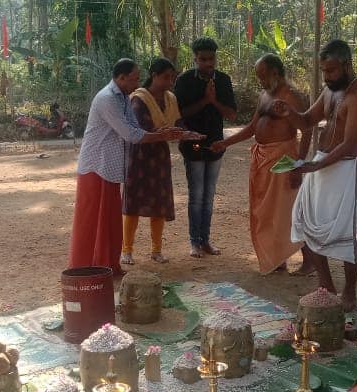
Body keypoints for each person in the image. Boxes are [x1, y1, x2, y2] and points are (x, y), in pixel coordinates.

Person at [271, 40, 357, 311]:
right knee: (308, 225)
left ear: (347, 65)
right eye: (323, 71)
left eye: (331, 71)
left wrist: (316, 166)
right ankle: (326, 286)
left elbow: (351, 143)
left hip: (345, 169)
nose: (326, 77)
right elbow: (306, 121)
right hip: (320, 163)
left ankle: (349, 293)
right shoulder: (329, 92)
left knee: (343, 232)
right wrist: (288, 112)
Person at [68, 59, 196, 274]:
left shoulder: (124, 97)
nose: (138, 82)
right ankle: (82, 268)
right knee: (90, 220)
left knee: (109, 221)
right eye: (135, 78)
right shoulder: (107, 98)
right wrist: (162, 135)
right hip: (95, 166)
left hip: (108, 168)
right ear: (121, 78)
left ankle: (107, 264)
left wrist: (166, 133)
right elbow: (130, 134)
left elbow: (134, 127)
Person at [210, 54, 312, 275]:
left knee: (288, 210)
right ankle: (277, 259)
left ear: (275, 72)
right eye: (258, 76)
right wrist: (225, 143)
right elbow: (252, 127)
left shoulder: (292, 96)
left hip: (283, 157)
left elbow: (306, 129)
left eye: (263, 75)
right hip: (262, 158)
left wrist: (299, 165)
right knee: (266, 212)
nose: (260, 80)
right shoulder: (265, 95)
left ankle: (310, 260)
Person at [173, 37, 237, 258]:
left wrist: (214, 101)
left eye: (211, 59)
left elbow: (231, 114)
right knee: (196, 194)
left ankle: (206, 240)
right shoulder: (183, 81)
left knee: (208, 196)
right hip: (192, 146)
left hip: (217, 145)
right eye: (203, 59)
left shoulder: (224, 80)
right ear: (195, 59)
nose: (208, 63)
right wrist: (204, 101)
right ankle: (194, 242)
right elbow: (178, 115)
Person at [121, 58, 185, 266]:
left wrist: (185, 132)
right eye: (166, 77)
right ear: (154, 75)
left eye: (172, 78)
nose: (170, 82)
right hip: (139, 154)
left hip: (159, 155)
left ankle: (156, 250)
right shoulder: (139, 98)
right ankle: (127, 250)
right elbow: (142, 127)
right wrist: (168, 132)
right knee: (133, 204)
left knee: (159, 202)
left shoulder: (171, 99)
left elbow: (178, 123)